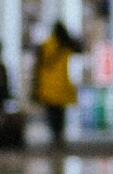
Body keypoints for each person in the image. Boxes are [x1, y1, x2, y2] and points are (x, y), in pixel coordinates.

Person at [31, 22, 81, 150]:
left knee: (51, 114)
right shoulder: (65, 45)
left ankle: (55, 137)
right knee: (60, 115)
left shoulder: (45, 45)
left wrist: (35, 86)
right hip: (62, 86)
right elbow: (79, 48)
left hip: (47, 86)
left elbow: (37, 67)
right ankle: (59, 137)